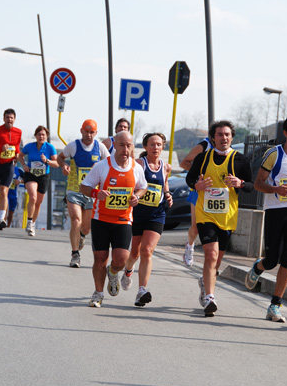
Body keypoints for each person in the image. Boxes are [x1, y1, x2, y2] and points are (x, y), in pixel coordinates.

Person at [245, 114, 287, 323]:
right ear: (285, 132)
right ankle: (258, 267)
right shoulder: (274, 154)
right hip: (274, 210)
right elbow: (258, 184)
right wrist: (276, 189)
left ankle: (275, 305)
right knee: (272, 260)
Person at [186, 120, 253, 317]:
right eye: (219, 134)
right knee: (211, 254)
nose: (223, 138)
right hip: (206, 213)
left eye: (227, 134)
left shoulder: (240, 160)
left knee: (217, 261)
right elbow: (190, 178)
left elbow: (251, 185)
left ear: (232, 137)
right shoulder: (203, 158)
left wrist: (240, 183)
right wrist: (196, 186)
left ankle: (205, 283)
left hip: (227, 216)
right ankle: (210, 298)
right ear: (213, 138)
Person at [80, 131, 147, 308]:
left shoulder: (136, 168)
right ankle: (98, 293)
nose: (125, 149)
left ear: (132, 147)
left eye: (129, 145)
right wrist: (96, 192)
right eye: (122, 145)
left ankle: (113, 272)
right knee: (100, 258)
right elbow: (84, 187)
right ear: (114, 145)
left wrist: (137, 197)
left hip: (123, 220)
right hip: (100, 219)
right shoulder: (102, 166)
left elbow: (143, 188)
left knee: (121, 260)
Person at [120, 133, 173, 307]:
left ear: (163, 147)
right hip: (138, 213)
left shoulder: (166, 167)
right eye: (152, 144)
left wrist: (167, 194)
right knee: (134, 252)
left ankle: (142, 290)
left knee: (147, 251)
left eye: (159, 144)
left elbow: (164, 183)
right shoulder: (140, 164)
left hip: (157, 214)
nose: (156, 147)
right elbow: (131, 182)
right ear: (145, 147)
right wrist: (134, 195)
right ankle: (128, 270)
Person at [57, 119, 109, 267]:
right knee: (76, 220)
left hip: (92, 192)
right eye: (86, 131)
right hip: (74, 190)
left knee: (86, 228)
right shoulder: (73, 146)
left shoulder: (100, 147)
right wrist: (64, 165)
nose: (89, 135)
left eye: (92, 132)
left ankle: (81, 235)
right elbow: (60, 157)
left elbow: (109, 163)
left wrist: (99, 165)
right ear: (81, 131)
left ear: (96, 133)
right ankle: (75, 254)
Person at [18, 126, 58, 237]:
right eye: (39, 134)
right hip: (31, 174)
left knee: (38, 202)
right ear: (35, 136)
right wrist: (24, 165)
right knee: (33, 197)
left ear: (46, 136)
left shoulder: (50, 147)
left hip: (43, 175)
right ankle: (29, 221)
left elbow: (57, 163)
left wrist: (47, 161)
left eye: (43, 135)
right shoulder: (29, 146)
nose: (41, 136)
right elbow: (20, 156)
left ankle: (32, 224)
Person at [180, 136, 213, 266]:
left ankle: (210, 263)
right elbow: (184, 163)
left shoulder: (228, 150)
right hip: (197, 191)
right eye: (219, 134)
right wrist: (200, 172)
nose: (223, 138)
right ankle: (190, 245)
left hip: (217, 194)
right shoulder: (204, 146)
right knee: (195, 228)